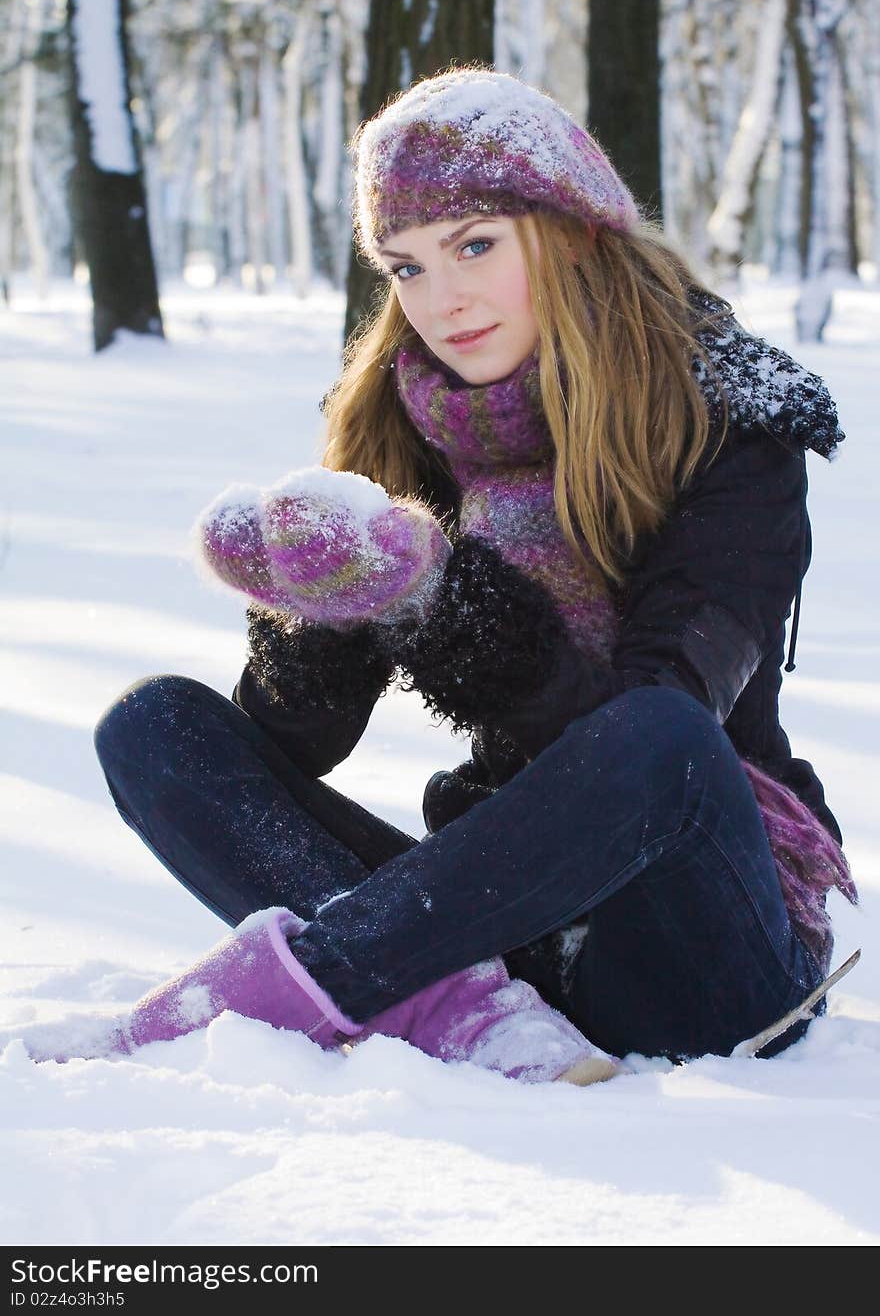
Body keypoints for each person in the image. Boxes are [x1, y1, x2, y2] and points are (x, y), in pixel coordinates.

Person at [88, 66, 856, 1082]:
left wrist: (439, 607)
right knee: (154, 728)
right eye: (404, 268)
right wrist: (315, 603)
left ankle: (314, 981)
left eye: (474, 246)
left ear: (572, 229)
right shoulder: (404, 421)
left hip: (692, 939)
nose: (440, 301)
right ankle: (461, 1008)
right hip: (494, 923)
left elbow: (660, 728)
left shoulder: (724, 419)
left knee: (660, 735)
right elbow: (291, 743)